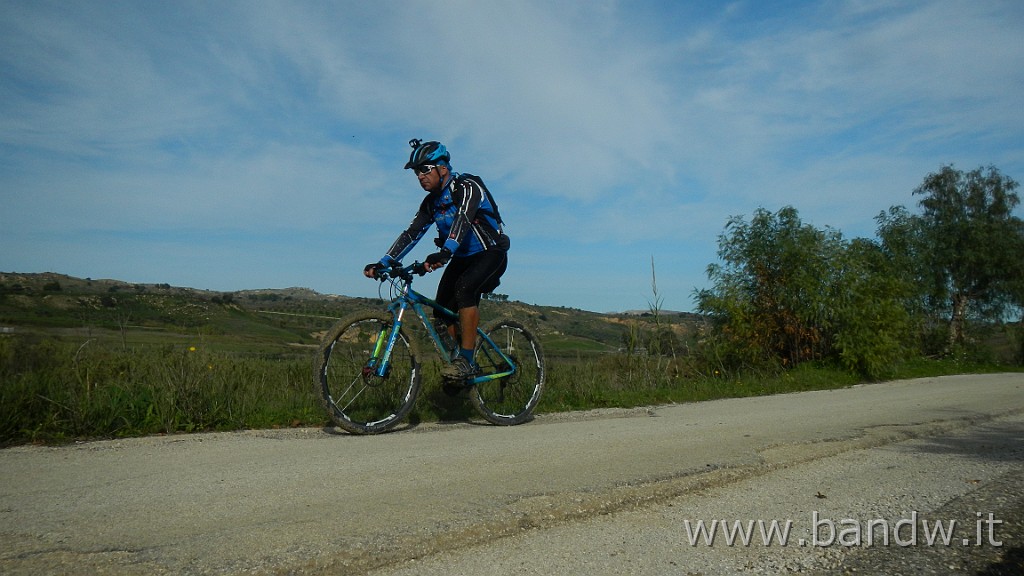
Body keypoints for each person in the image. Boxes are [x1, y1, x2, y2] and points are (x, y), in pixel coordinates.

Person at [364, 139, 509, 381]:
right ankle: (458, 367)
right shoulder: (431, 203)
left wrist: (445, 251)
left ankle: (466, 360)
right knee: (441, 314)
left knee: (464, 289)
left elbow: (463, 218)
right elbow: (411, 233)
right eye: (416, 172)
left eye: (424, 169)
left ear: (442, 168)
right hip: (461, 258)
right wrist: (384, 262)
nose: (420, 176)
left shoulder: (467, 186)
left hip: (490, 253)